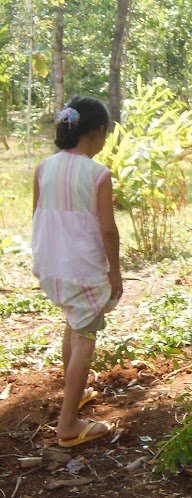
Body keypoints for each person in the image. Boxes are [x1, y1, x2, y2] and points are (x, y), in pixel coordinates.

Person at [32, 96, 121, 448]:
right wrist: (115, 273)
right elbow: (108, 230)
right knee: (85, 338)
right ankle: (68, 423)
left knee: (73, 324)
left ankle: (74, 393)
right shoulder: (97, 173)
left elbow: (38, 215)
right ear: (97, 133)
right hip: (82, 269)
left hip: (52, 264)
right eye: (104, 134)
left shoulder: (43, 167)